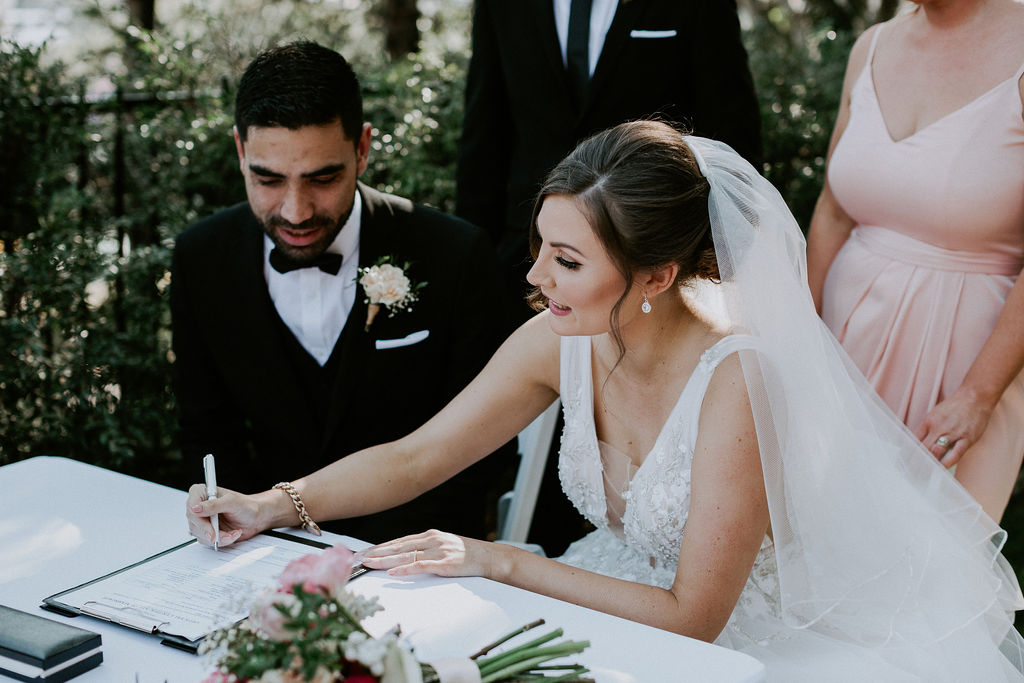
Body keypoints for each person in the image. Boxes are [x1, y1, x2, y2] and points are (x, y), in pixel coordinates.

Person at [187, 121, 1024, 680]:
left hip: (754, 641)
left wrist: (497, 556)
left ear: (656, 276)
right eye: (541, 247)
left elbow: (695, 615)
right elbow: (419, 454)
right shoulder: (561, 337)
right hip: (613, 589)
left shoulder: (739, 378)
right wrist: (275, 504)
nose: (535, 276)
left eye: (568, 261)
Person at [170, 41, 518, 544]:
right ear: (241, 151)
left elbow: (485, 448)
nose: (295, 211)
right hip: (258, 550)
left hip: (413, 555)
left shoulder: (454, 254)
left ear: (362, 148)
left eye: (323, 178)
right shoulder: (201, 257)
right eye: (267, 178)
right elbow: (205, 431)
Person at [456, 0, 764, 553]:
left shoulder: (737, 377)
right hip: (556, 268)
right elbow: (485, 130)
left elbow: (732, 123)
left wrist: (717, 271)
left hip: (643, 258)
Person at [806, 0, 1024, 522]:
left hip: (966, 366)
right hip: (841, 348)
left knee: (929, 566)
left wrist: (978, 395)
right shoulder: (872, 46)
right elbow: (834, 211)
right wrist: (798, 340)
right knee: (817, 539)